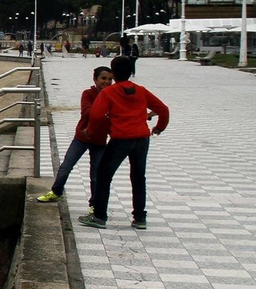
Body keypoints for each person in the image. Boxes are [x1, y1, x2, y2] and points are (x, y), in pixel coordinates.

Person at [78, 57, 169, 230]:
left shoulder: (109, 92)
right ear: (131, 72)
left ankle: (99, 216)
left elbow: (96, 115)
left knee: (104, 175)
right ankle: (140, 217)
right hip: (142, 138)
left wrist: (90, 131)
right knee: (138, 176)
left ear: (113, 73)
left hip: (120, 138)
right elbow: (163, 109)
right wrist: (159, 127)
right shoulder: (141, 91)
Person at [36, 64, 113, 208]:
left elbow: (117, 117)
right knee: (66, 166)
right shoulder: (88, 94)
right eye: (103, 78)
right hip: (82, 138)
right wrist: (106, 112)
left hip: (100, 141)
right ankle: (56, 191)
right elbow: (87, 113)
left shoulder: (113, 96)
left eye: (110, 79)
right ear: (95, 79)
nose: (107, 82)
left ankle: (94, 205)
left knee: (96, 175)